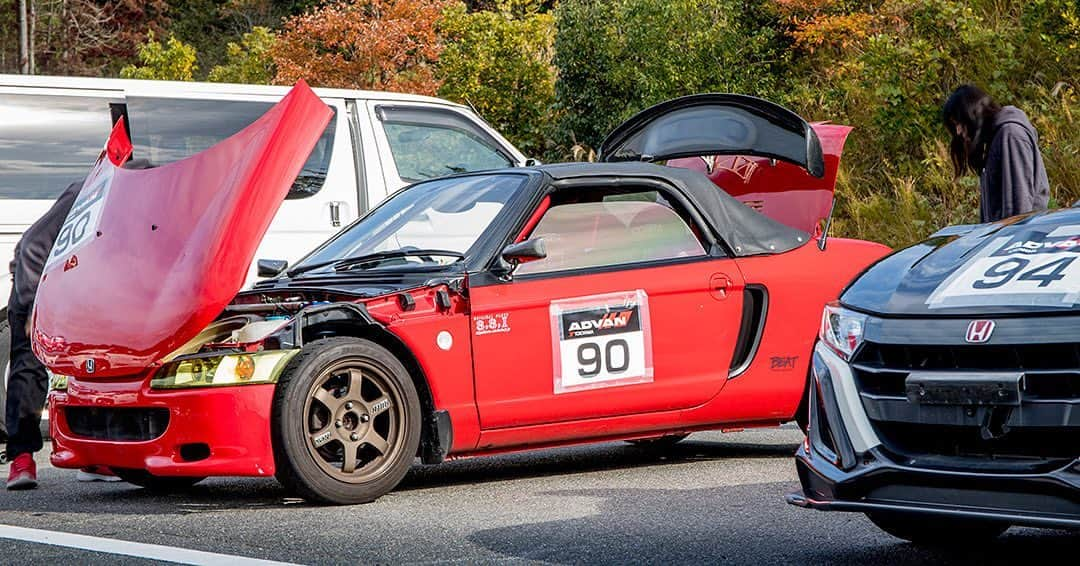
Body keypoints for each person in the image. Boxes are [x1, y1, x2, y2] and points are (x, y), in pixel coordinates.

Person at [6, 159, 152, 489]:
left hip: (78, 289)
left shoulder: (143, 205)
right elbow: (33, 248)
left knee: (96, 368)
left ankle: (93, 458)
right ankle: (21, 458)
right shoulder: (90, 194)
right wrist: (33, 311)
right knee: (29, 365)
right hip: (33, 282)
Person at [942, 85, 1050, 223]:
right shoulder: (992, 141)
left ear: (973, 115)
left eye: (960, 123)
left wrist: (1011, 239)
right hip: (1007, 237)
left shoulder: (1010, 135)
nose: (958, 131)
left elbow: (1019, 208)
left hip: (1021, 237)